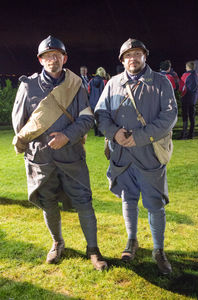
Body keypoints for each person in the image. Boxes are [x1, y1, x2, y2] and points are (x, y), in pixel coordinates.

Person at [12, 35, 107, 271]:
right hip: (41, 159)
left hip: (71, 155)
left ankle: (93, 249)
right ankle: (57, 242)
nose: (52, 59)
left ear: (64, 58)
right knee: (48, 203)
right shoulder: (28, 85)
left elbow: (87, 118)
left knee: (85, 202)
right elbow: (19, 124)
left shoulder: (76, 85)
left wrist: (67, 136)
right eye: (47, 55)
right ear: (40, 60)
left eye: (57, 55)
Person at [95, 38, 177, 275]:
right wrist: (115, 133)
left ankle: (158, 250)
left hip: (149, 155)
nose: (133, 58)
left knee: (155, 205)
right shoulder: (112, 83)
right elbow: (101, 114)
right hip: (122, 155)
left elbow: (169, 117)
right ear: (122, 60)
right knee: (128, 199)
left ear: (145, 56)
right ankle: (132, 240)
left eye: (137, 53)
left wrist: (140, 136)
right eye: (128, 55)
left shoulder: (161, 82)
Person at [179, 61, 198, 139]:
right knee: (192, 116)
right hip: (194, 98)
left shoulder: (185, 75)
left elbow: (182, 87)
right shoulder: (196, 75)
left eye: (186, 66)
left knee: (185, 116)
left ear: (188, 67)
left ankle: (184, 134)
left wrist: (181, 95)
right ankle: (191, 134)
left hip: (186, 98)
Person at [88, 67, 107, 136]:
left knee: (95, 118)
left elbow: (89, 91)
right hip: (101, 103)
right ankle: (100, 133)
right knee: (101, 118)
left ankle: (96, 133)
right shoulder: (104, 81)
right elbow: (106, 92)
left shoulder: (91, 81)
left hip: (92, 102)